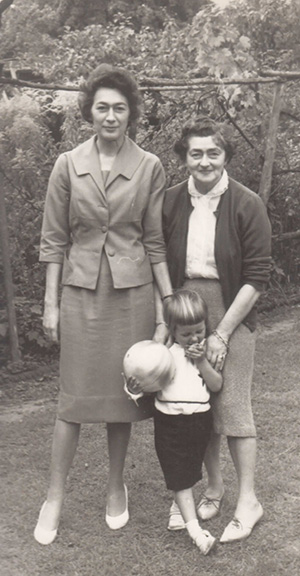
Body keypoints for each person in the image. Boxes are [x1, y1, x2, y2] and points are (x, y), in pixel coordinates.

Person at [34, 64, 173, 545]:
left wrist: (163, 308)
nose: (110, 115)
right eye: (102, 107)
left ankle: (117, 486)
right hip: (79, 294)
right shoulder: (66, 164)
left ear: (131, 112)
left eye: (119, 107)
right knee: (72, 402)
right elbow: (53, 241)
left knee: (124, 398)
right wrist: (50, 305)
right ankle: (54, 496)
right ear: (89, 113)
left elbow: (154, 242)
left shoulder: (150, 165)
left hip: (132, 297)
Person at [158, 117, 272, 542]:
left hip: (232, 310)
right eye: (196, 153)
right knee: (195, 402)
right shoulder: (170, 200)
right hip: (185, 310)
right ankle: (213, 487)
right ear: (184, 158)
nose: (204, 161)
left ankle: (248, 501)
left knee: (233, 405)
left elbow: (257, 276)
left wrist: (222, 333)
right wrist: (172, 318)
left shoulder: (246, 203)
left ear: (225, 156)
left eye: (213, 153)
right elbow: (161, 259)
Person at [125, 289, 222, 554]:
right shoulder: (163, 355)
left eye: (199, 331)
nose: (194, 337)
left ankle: (180, 508)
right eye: (186, 333)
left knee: (189, 469)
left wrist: (201, 360)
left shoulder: (205, 354)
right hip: (169, 422)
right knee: (178, 475)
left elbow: (216, 384)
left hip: (199, 420)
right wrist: (134, 389)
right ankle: (197, 534)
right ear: (172, 330)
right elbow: (147, 386)